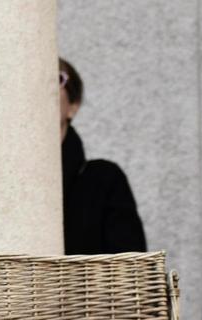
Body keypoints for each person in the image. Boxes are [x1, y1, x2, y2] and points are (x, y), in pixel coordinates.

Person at [59, 58, 146, 254]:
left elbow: (131, 268)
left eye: (56, 78)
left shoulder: (104, 180)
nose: (40, 87)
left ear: (74, 105)